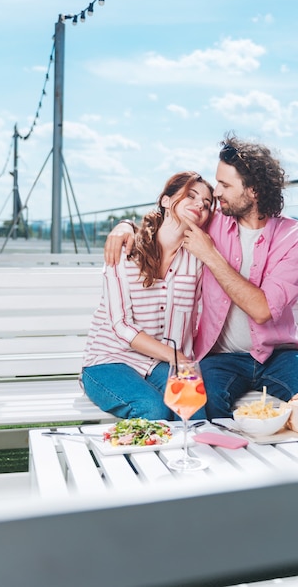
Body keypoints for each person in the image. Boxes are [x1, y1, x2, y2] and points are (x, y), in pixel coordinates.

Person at [105, 134, 298, 419]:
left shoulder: (297, 239)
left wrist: (210, 255)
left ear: (254, 191)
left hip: (278, 355)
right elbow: (168, 216)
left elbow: (261, 310)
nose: (216, 193)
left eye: (225, 185)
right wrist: (125, 227)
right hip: (220, 358)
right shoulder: (212, 220)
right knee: (201, 409)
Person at [82, 171, 215, 420]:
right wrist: (179, 359)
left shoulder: (198, 261)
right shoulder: (125, 250)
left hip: (164, 363)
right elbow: (121, 326)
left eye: (207, 204)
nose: (200, 205)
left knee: (194, 412)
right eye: (191, 195)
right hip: (109, 360)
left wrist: (183, 365)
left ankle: (185, 460)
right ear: (165, 200)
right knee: (153, 408)